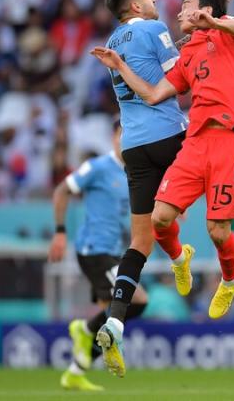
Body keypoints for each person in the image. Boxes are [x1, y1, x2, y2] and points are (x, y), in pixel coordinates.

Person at [90, 0, 234, 378]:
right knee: (167, 217)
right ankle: (224, 258)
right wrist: (125, 64)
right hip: (187, 138)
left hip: (189, 138)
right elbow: (159, 86)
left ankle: (228, 274)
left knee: (199, 233)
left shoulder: (220, 34)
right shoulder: (172, 42)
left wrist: (215, 16)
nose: (174, 9)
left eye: (187, 7)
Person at [47, 119, 147, 392]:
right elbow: (62, 190)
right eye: (122, 134)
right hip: (94, 250)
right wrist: (59, 231)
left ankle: (75, 372)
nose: (126, 140)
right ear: (114, 137)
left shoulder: (134, 172)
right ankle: (84, 328)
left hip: (113, 252)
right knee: (136, 299)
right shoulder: (99, 167)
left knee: (111, 315)